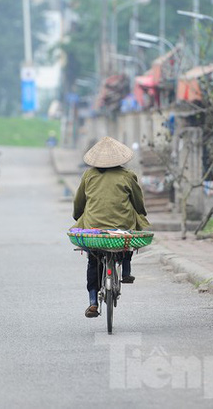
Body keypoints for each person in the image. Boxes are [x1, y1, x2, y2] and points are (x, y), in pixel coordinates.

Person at [72, 136, 150, 318]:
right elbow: (138, 203)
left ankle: (92, 301)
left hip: (94, 228)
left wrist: (78, 216)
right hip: (121, 227)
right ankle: (127, 267)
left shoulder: (89, 175)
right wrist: (141, 213)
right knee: (132, 228)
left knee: (93, 260)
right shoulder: (128, 176)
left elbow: (79, 203)